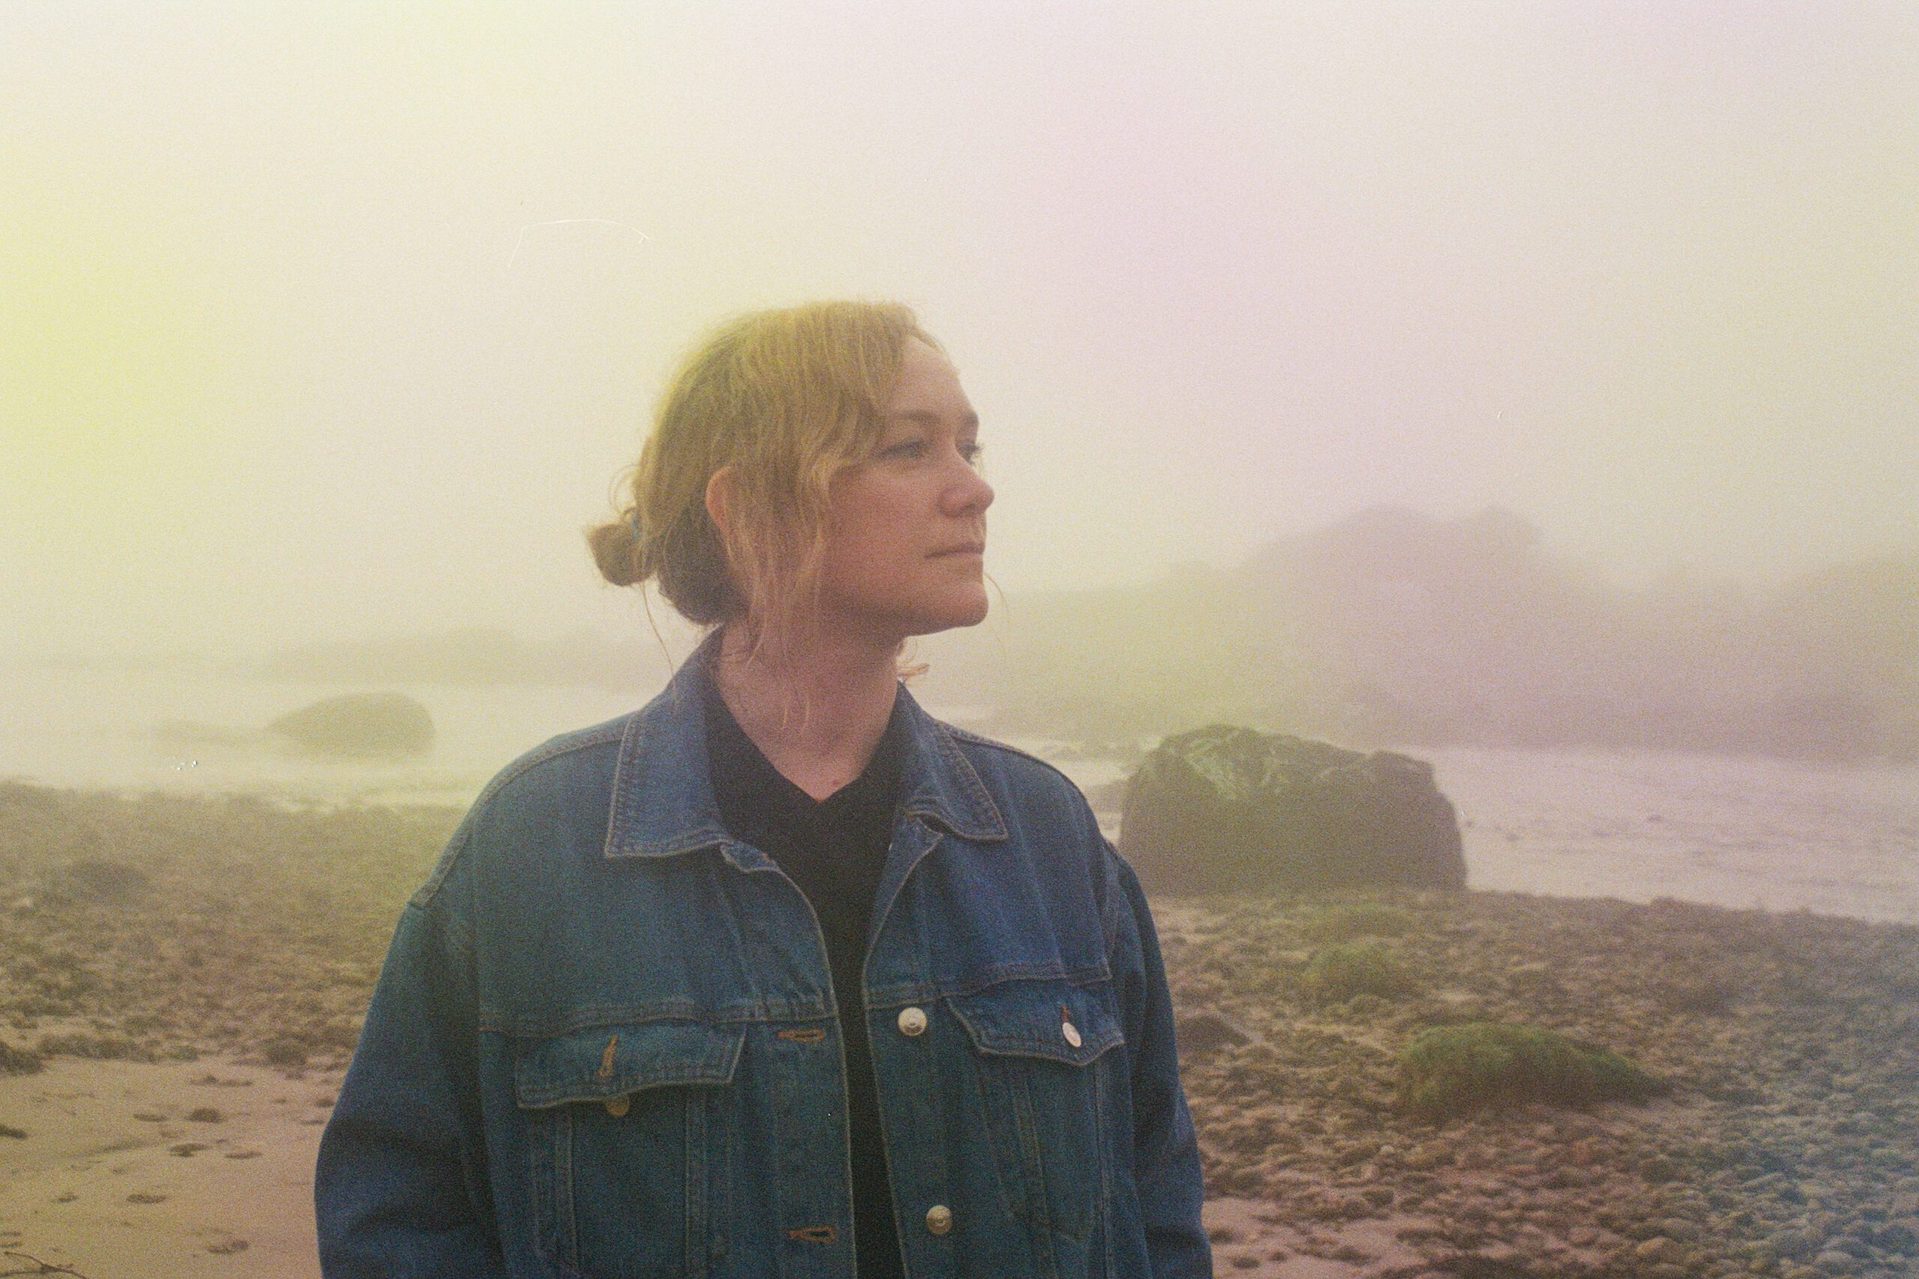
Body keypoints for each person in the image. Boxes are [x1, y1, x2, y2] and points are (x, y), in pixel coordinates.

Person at [314, 299, 1212, 1278]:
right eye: (910, 450)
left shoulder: (1045, 837)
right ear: (744, 509)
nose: (973, 489)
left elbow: (1154, 1197)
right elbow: (395, 1216)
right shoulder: (535, 844)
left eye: (969, 445)